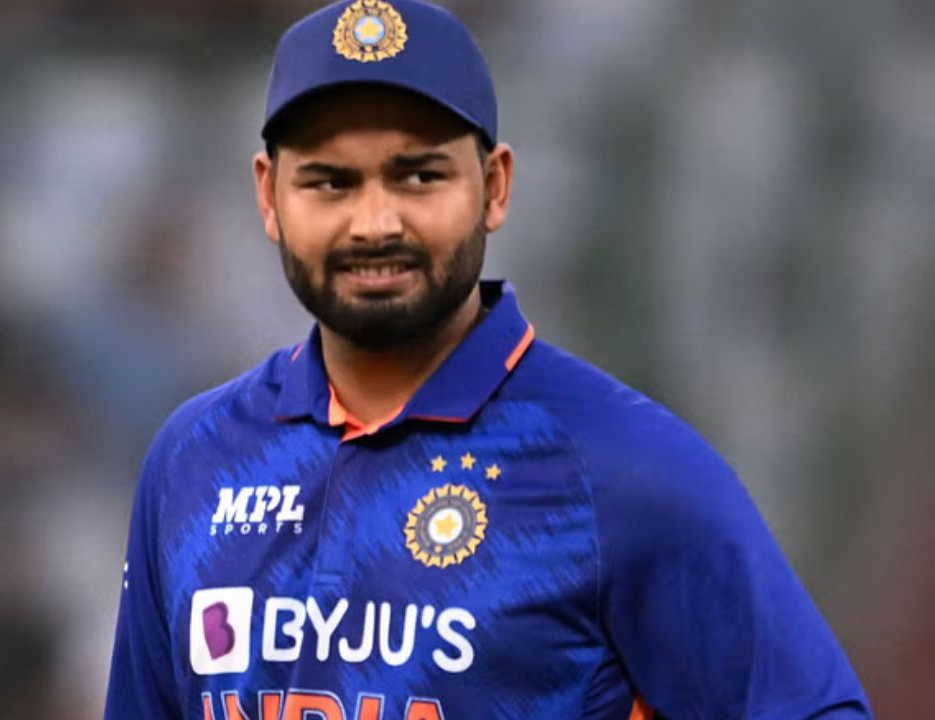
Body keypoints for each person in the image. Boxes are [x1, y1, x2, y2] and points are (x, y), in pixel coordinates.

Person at [105, 1, 872, 717]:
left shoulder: (625, 470)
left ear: (495, 187)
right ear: (270, 197)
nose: (374, 223)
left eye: (419, 176)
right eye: (330, 183)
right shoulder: (193, 458)